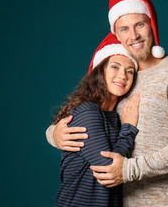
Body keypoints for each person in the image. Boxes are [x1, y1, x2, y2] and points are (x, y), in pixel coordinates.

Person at [47, 0, 168, 206]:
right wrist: (54, 134)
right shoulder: (118, 81)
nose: (134, 35)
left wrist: (130, 169)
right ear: (117, 34)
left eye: (140, 24)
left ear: (152, 24)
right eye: (125, 28)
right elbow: (89, 120)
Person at [53, 33, 140, 207]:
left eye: (129, 71)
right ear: (100, 71)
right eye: (115, 67)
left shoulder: (115, 118)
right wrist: (129, 128)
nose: (123, 76)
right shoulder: (87, 111)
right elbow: (108, 169)